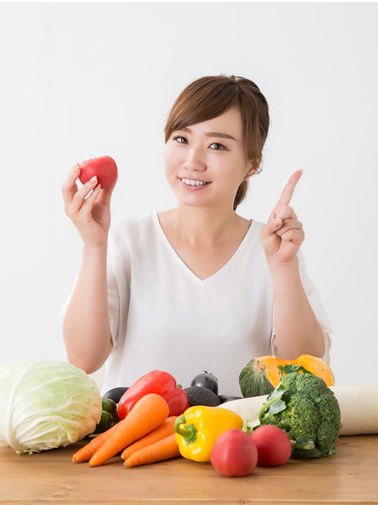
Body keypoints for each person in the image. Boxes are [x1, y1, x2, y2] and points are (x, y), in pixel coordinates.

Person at [60, 75, 332, 396]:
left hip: (238, 443)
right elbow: (83, 359)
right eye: (181, 139)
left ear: (251, 165)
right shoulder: (127, 238)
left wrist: (284, 268)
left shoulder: (274, 248)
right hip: (135, 442)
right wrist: (94, 245)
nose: (192, 162)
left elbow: (304, 371)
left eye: (217, 145)